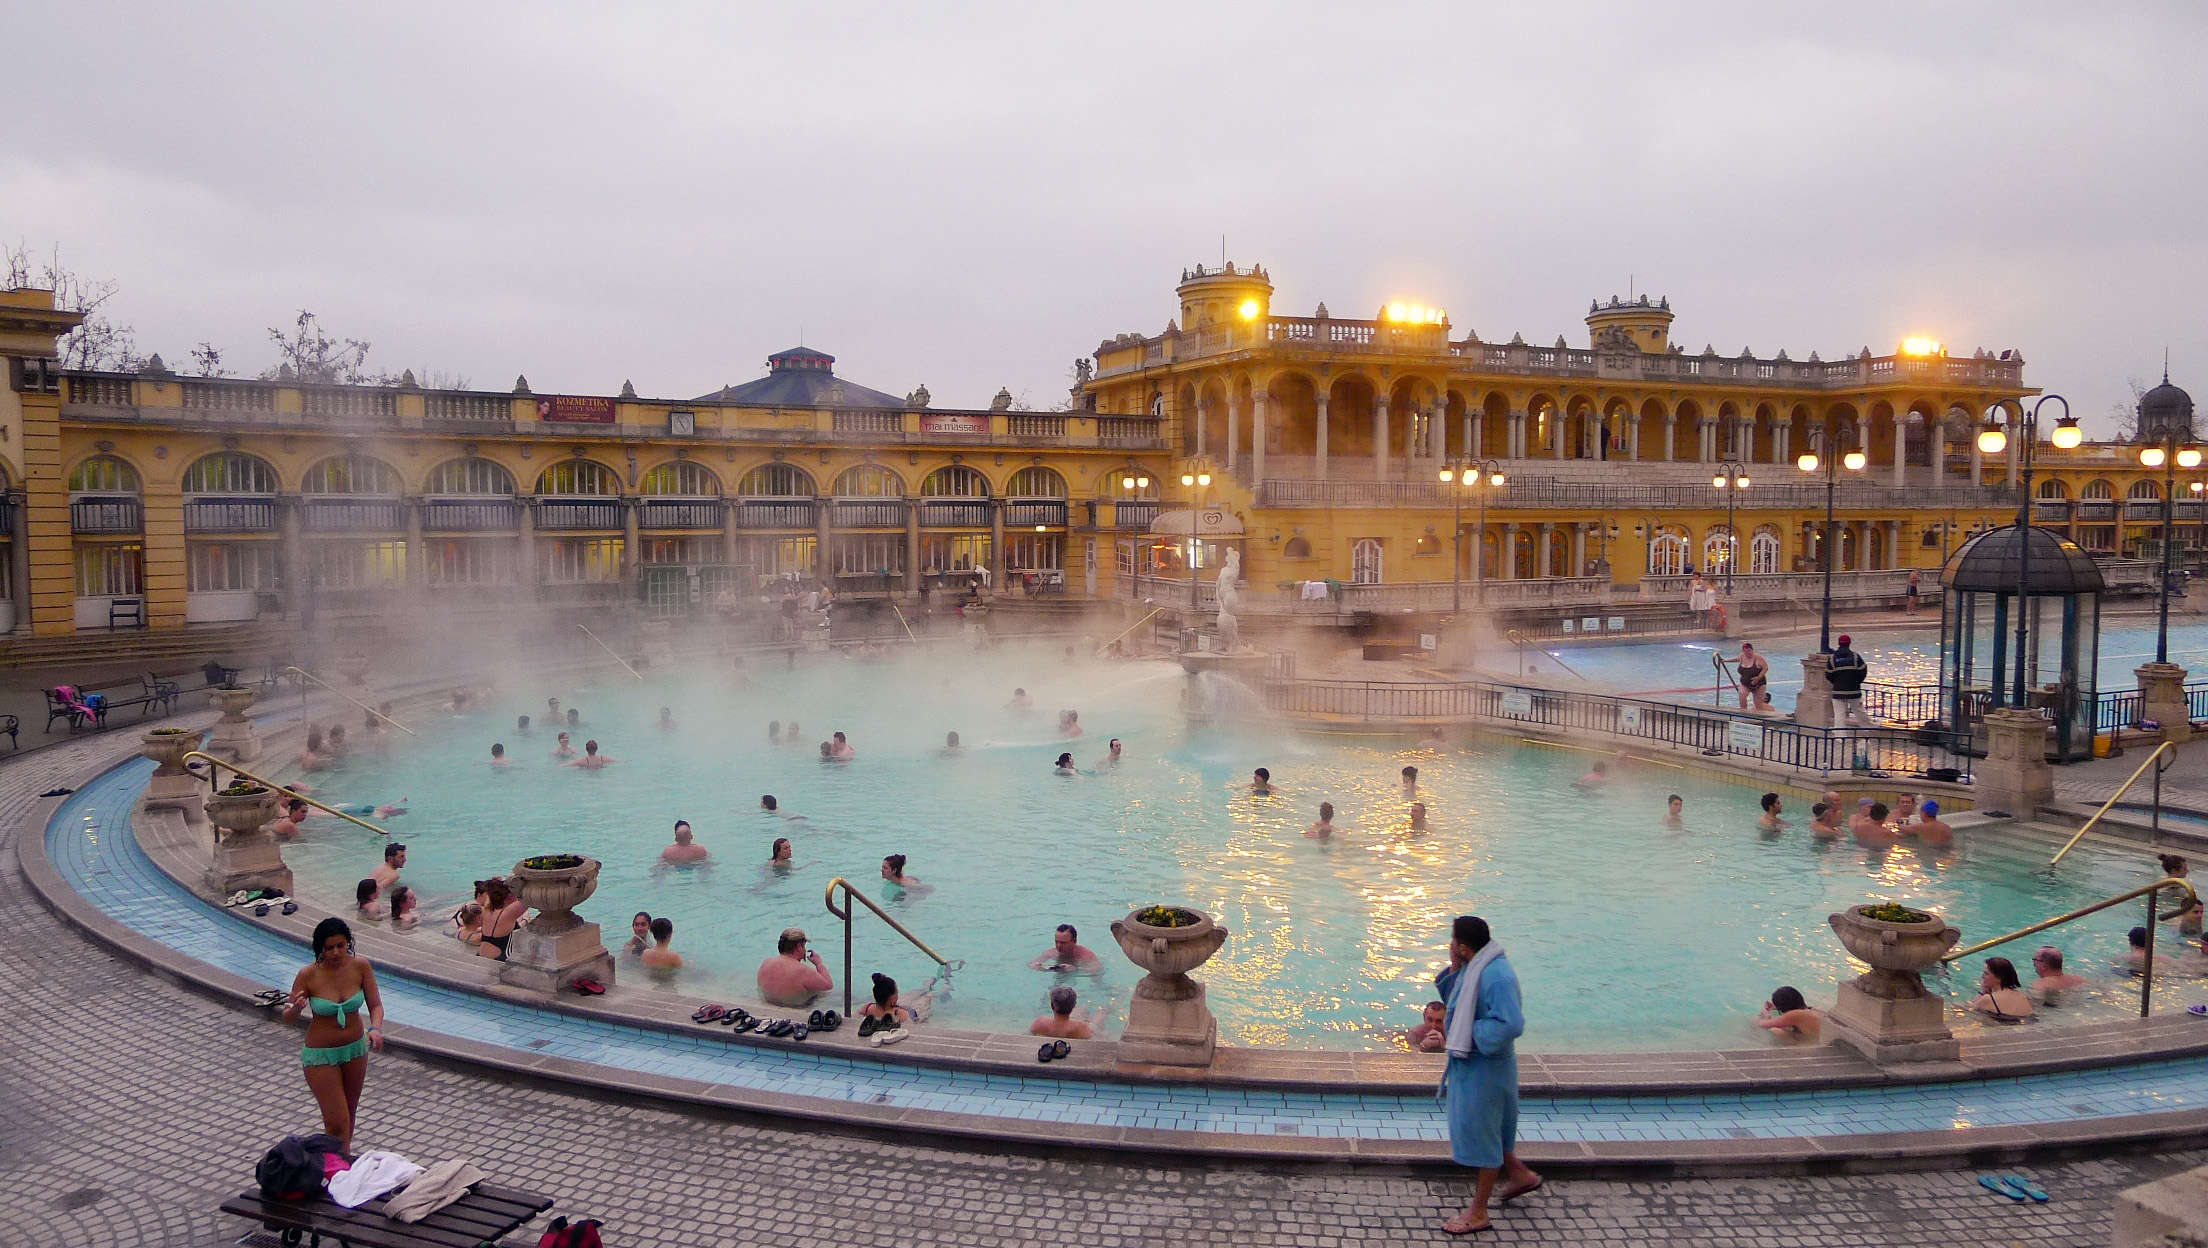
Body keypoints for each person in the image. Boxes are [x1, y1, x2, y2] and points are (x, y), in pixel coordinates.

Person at [1436, 915, 1542, 1235]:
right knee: (1489, 1130)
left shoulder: (1497, 976)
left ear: (1465, 947)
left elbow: (1510, 1024)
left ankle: (1479, 1212)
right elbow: (1457, 1004)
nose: (1450, 945)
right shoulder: (1475, 966)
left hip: (1487, 1070)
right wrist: (1454, 969)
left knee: (1483, 1138)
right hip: (1475, 1068)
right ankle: (1520, 1174)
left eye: (1453, 941)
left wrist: (1469, 1032)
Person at [282, 918, 385, 1154]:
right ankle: (338, 1173)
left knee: (349, 1117)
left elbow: (376, 1006)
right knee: (336, 1123)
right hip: (321, 1055)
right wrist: (296, 1009)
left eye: (341, 945)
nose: (336, 952)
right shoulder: (308, 974)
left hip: (355, 1050)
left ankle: (340, 1169)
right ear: (320, 949)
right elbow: (287, 1016)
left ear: (348, 942)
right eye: (329, 948)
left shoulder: (360, 966)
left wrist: (375, 1028)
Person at [757, 927, 834, 1006]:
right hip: (797, 1007)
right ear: (799, 946)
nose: (804, 950)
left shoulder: (766, 963)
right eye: (804, 946)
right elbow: (828, 986)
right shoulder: (802, 970)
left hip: (771, 1003)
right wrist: (819, 964)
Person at [1968, 956, 2034, 1022]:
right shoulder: (2021, 995)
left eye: (1986, 974)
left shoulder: (1989, 999)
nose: (1982, 976)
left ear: (1998, 978)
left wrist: (1982, 992)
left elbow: (1970, 1011)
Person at [1827, 634, 1872, 728]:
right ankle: (1869, 727)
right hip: (1853, 690)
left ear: (1839, 644)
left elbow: (1828, 675)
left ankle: (1839, 736)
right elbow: (1863, 670)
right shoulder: (1855, 657)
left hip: (1838, 691)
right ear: (1849, 643)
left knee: (1839, 714)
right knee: (1859, 711)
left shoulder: (1832, 658)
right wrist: (1857, 681)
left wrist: (1836, 683)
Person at [1031, 985, 1106, 1039]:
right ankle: (1105, 1010)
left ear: (1052, 1006)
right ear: (1073, 1006)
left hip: (1061, 1025)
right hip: (1080, 1026)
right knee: (1100, 1014)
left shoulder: (1040, 1023)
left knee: (1081, 1010)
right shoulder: (1081, 1028)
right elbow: (1097, 1038)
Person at [476, 879, 524, 960]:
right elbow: (529, 898)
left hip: (481, 955)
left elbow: (489, 893)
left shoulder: (486, 909)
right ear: (511, 896)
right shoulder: (508, 913)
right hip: (499, 959)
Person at [1755, 986, 1822, 1041]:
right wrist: (1775, 1006)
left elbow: (1762, 1024)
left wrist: (1766, 1014)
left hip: (1807, 1049)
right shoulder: (1809, 1011)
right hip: (1810, 1041)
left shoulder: (1795, 1015)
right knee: (1784, 1028)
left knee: (1774, 1030)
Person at [1029, 923, 1101, 972]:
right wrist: (1039, 967)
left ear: (1074, 941)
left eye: (1063, 943)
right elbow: (1031, 964)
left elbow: (1097, 969)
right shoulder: (1051, 953)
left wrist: (1076, 969)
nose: (1059, 946)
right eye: (1057, 942)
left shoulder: (1085, 955)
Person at [1736, 642, 1771, 712]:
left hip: (1759, 683)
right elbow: (1736, 659)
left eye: (1749, 651)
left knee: (1758, 705)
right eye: (1745, 651)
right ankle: (1744, 713)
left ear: (1752, 650)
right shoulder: (1742, 657)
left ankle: (1757, 717)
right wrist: (1724, 660)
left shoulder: (1758, 658)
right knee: (1742, 695)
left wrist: (1759, 677)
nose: (1747, 653)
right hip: (1745, 683)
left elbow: (1765, 667)